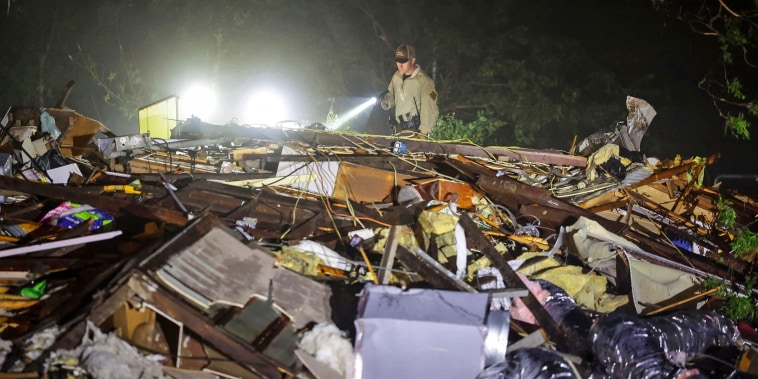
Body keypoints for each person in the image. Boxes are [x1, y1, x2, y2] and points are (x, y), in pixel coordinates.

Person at [380, 44, 439, 136]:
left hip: (415, 130)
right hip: (399, 129)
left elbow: (429, 107)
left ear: (412, 60)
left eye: (403, 61)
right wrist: (387, 101)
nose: (400, 65)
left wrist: (423, 133)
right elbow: (391, 94)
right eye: (398, 61)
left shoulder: (424, 81)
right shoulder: (396, 77)